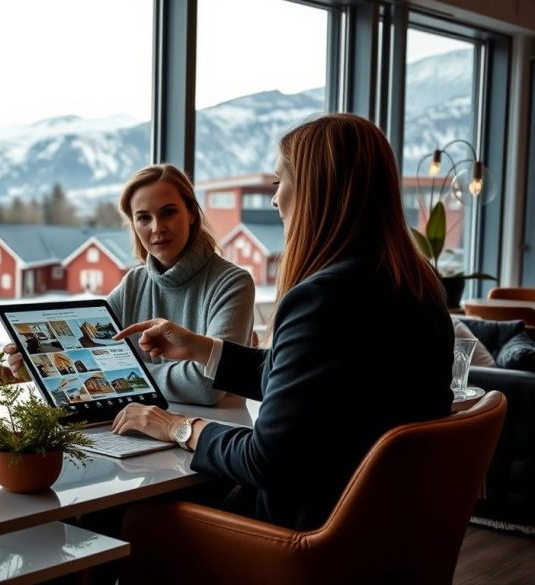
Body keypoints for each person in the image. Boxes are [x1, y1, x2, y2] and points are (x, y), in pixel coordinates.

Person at [111, 113, 454, 531]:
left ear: (314, 188)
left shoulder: (324, 298)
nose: (274, 200)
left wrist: (176, 427)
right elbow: (304, 384)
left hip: (308, 530)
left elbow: (266, 459)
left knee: (130, 519)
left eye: (278, 183)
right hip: (381, 524)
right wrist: (201, 348)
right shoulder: (415, 283)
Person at [5, 163, 255, 405]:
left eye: (168, 212)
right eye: (144, 218)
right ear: (134, 225)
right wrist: (39, 365)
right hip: (138, 425)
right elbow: (85, 355)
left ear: (191, 213)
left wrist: (131, 377)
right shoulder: (134, 283)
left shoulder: (233, 284)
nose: (157, 228)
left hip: (211, 433)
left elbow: (207, 385)